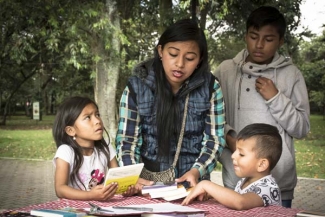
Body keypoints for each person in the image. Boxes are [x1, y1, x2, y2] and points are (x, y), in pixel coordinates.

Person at [214, 6, 310, 208]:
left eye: (268, 39)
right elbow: (209, 116)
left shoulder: (292, 75)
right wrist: (230, 137)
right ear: (246, 35)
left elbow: (301, 128)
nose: (259, 45)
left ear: (280, 40)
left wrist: (276, 98)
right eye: (253, 36)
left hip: (279, 184)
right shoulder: (225, 71)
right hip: (236, 181)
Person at [116, 18, 226, 192]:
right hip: (144, 185)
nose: (180, 64)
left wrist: (197, 171)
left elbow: (214, 140)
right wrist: (133, 176)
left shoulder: (211, 87)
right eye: (173, 54)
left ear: (200, 59)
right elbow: (127, 140)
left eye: (189, 58)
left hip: (193, 185)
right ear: (160, 51)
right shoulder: (136, 86)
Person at [182, 123, 282, 210]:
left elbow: (240, 202)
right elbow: (234, 198)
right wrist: (213, 195)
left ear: (261, 164)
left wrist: (206, 185)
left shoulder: (268, 188)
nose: (233, 156)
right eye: (236, 151)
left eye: (241, 154)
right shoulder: (245, 181)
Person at [52, 96, 135, 200]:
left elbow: (118, 178)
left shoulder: (106, 148)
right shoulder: (65, 151)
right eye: (87, 117)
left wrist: (125, 189)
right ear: (70, 130)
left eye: (97, 115)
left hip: (103, 208)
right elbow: (60, 189)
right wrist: (90, 195)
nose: (97, 121)